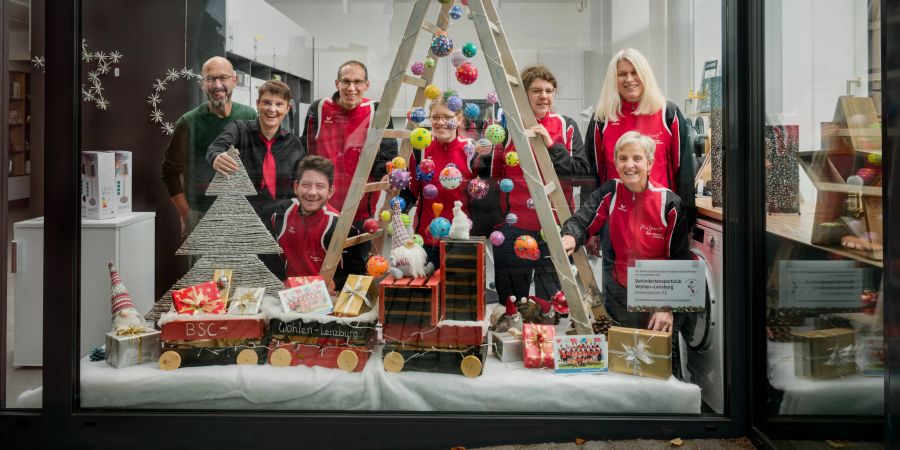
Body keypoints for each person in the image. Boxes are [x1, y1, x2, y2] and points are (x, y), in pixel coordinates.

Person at [560, 131, 692, 377]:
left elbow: (680, 261)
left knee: (658, 366)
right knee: (624, 365)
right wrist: (571, 235)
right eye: (623, 158)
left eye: (637, 158)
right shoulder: (610, 192)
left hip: (659, 295)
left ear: (650, 163)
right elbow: (584, 219)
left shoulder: (669, 203)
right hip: (620, 293)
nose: (629, 165)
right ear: (616, 162)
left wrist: (666, 307)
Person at [490, 64, 591, 305]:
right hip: (513, 228)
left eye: (549, 90)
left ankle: (542, 342)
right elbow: (492, 176)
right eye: (536, 91)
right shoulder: (506, 126)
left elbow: (581, 173)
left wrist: (551, 147)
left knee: (550, 307)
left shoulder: (566, 125)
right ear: (523, 95)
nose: (544, 96)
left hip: (554, 229)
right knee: (512, 305)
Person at [584, 48, 694, 256]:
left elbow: (684, 172)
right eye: (622, 74)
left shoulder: (668, 113)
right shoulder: (602, 118)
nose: (629, 79)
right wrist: (591, 229)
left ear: (645, 75)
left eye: (635, 72)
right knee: (616, 286)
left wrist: (686, 223)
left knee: (660, 287)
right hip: (615, 226)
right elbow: (592, 176)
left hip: (662, 223)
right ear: (613, 79)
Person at [301, 60, 398, 277]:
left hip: (361, 211)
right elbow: (305, 153)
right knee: (322, 272)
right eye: (346, 81)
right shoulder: (318, 108)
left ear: (366, 84)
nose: (351, 88)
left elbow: (387, 154)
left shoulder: (377, 111)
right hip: (321, 209)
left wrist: (386, 176)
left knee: (358, 272)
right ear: (337, 83)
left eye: (357, 82)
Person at [207, 80, 305, 279]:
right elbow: (216, 147)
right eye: (267, 103)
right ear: (258, 103)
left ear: (288, 108)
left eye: (279, 104)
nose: (272, 109)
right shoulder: (239, 129)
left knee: (275, 281)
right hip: (241, 225)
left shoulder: (294, 144)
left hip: (278, 226)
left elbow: (302, 182)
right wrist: (216, 156)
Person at [160, 56, 258, 240]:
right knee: (204, 270)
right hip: (201, 214)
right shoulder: (188, 122)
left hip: (242, 214)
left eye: (223, 78)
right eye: (210, 79)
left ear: (234, 81)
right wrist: (187, 215)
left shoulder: (250, 115)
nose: (217, 85)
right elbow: (170, 173)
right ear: (202, 84)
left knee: (241, 269)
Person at [398, 95, 486, 265]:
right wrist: (396, 213)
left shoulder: (471, 150)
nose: (440, 122)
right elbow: (410, 193)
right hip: (427, 236)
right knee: (427, 286)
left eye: (447, 117)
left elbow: (481, 194)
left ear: (459, 118)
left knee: (456, 289)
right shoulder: (420, 150)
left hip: (461, 236)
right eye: (436, 117)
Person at [271, 155, 343, 287]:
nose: (312, 192)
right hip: (288, 294)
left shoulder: (337, 225)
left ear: (330, 191)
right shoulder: (281, 214)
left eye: (320, 186)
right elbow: (272, 260)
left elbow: (348, 275)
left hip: (323, 298)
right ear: (296, 187)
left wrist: (336, 284)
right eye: (306, 185)